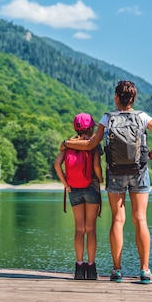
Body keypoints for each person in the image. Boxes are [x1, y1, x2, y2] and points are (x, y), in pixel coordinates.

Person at [63, 81, 152, 284]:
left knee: (118, 220)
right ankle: (144, 270)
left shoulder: (108, 118)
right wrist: (151, 155)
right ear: (134, 98)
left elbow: (91, 144)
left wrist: (66, 143)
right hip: (139, 172)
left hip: (115, 173)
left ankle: (117, 270)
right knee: (140, 219)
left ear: (116, 97)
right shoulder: (142, 117)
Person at [54, 113, 104, 280]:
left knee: (79, 229)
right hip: (91, 188)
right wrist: (101, 178)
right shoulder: (94, 144)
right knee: (90, 229)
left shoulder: (68, 143)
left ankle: (78, 267)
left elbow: (56, 165)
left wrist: (66, 185)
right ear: (90, 128)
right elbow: (96, 165)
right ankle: (91, 269)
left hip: (73, 189)